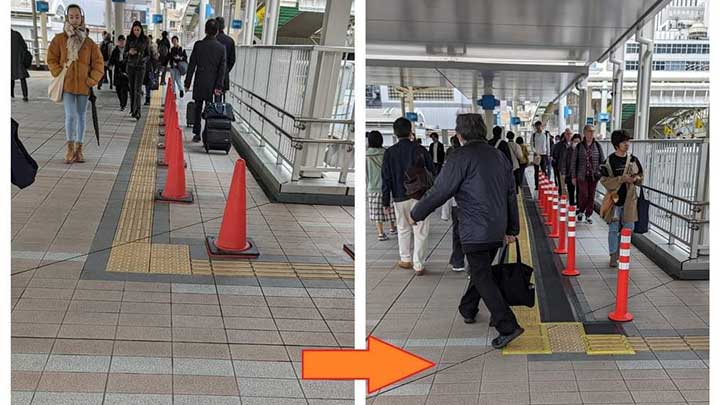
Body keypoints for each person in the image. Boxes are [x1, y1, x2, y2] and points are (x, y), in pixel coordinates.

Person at [410, 113, 523, 349]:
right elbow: (511, 193)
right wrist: (512, 228)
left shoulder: (459, 157)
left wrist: (417, 212)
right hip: (497, 227)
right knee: (482, 271)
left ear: (459, 135)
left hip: (474, 228)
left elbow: (441, 190)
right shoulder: (499, 156)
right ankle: (468, 307)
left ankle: (507, 324)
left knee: (482, 275)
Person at [47, 3, 104, 164]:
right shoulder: (59, 39)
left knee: (81, 117)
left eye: (77, 16)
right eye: (71, 17)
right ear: (67, 18)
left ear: (82, 18)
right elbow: (51, 58)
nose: (74, 20)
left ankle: (79, 150)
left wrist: (91, 80)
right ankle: (69, 149)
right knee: (70, 115)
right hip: (67, 85)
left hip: (84, 86)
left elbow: (98, 63)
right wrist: (58, 73)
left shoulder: (89, 43)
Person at [381, 117, 434, 275]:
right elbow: (432, 172)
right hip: (420, 196)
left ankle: (405, 259)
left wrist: (386, 201)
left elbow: (386, 178)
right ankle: (419, 264)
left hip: (399, 196)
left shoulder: (390, 152)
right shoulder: (420, 149)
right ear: (410, 130)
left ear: (395, 133)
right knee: (421, 230)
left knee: (403, 228)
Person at [600, 130, 643, 267]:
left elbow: (641, 177)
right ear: (616, 144)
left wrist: (635, 179)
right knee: (613, 228)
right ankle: (613, 255)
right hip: (615, 200)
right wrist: (621, 179)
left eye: (628, 141)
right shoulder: (608, 161)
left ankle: (621, 252)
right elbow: (604, 180)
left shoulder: (633, 159)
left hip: (630, 200)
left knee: (628, 227)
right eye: (624, 142)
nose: (627, 144)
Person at [185, 19, 227, 143]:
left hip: (199, 81)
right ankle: (207, 134)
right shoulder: (221, 48)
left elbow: (192, 65)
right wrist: (219, 86)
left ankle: (197, 133)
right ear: (217, 32)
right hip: (212, 83)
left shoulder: (198, 45)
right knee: (210, 109)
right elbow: (222, 70)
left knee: (198, 108)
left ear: (205, 30)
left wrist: (187, 83)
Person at [570, 125, 605, 223]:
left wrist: (601, 173)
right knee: (583, 194)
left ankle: (588, 214)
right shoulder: (579, 146)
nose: (591, 134)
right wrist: (573, 176)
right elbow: (574, 162)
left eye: (593, 132)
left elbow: (602, 161)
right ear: (584, 133)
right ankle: (581, 210)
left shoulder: (598, 146)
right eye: (589, 132)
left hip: (594, 176)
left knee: (591, 195)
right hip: (581, 175)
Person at [367, 131, 397, 241]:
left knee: (376, 211)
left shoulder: (366, 155)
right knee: (390, 207)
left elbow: (366, 173)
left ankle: (380, 233)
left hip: (373, 187)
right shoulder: (387, 153)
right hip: (388, 186)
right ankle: (392, 227)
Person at [446, 135, 466, 273]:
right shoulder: (472, 158)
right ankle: (472, 268)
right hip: (473, 204)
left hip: (456, 204)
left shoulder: (451, 160)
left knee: (457, 232)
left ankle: (458, 262)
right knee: (472, 234)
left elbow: (444, 187)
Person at [125, 21, 148, 120]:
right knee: (132, 89)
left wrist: (142, 59)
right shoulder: (129, 39)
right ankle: (132, 110)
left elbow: (148, 55)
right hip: (130, 66)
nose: (136, 32)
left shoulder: (145, 39)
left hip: (140, 67)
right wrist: (129, 52)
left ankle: (137, 111)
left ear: (141, 30)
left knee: (137, 89)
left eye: (138, 30)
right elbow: (125, 53)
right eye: (135, 30)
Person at [215, 17, 236, 92]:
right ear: (224, 26)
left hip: (211, 76)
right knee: (221, 98)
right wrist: (226, 69)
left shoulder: (212, 40)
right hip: (224, 76)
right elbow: (232, 60)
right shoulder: (230, 41)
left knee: (210, 99)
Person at [551, 129, 573, 197]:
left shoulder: (574, 144)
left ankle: (571, 200)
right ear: (565, 135)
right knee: (562, 185)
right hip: (562, 167)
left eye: (570, 134)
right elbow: (555, 154)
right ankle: (562, 198)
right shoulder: (559, 145)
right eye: (567, 134)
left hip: (572, 168)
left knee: (571, 185)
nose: (569, 135)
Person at [109, 35, 129, 111]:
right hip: (117, 72)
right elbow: (112, 59)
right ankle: (121, 102)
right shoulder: (115, 50)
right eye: (120, 41)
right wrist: (111, 65)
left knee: (124, 89)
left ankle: (123, 104)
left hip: (125, 73)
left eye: (123, 41)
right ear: (118, 42)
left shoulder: (127, 50)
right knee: (118, 89)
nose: (121, 43)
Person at [12, 29, 31, 101]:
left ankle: (11, 95)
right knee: (22, 79)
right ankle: (25, 96)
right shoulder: (17, 34)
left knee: (11, 78)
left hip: (11, 61)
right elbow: (24, 47)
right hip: (19, 60)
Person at [531, 121, 550, 190]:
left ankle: (545, 184)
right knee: (536, 171)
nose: (538, 128)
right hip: (536, 155)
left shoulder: (545, 134)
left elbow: (548, 145)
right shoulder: (533, 135)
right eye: (537, 127)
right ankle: (537, 185)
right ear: (535, 127)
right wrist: (535, 151)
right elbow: (531, 145)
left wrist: (548, 154)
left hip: (544, 155)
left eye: (539, 126)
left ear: (541, 126)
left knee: (544, 170)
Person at [565, 134, 582, 206]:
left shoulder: (582, 151)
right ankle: (571, 206)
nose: (576, 143)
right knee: (571, 191)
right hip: (570, 175)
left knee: (579, 192)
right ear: (572, 141)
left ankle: (578, 207)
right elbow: (565, 163)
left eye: (578, 142)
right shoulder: (568, 151)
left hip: (580, 175)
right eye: (575, 141)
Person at [144, 36, 160, 105]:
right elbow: (156, 59)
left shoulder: (149, 49)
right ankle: (147, 98)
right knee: (147, 84)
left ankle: (147, 98)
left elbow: (155, 59)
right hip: (148, 69)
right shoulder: (151, 49)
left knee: (147, 84)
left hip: (147, 69)